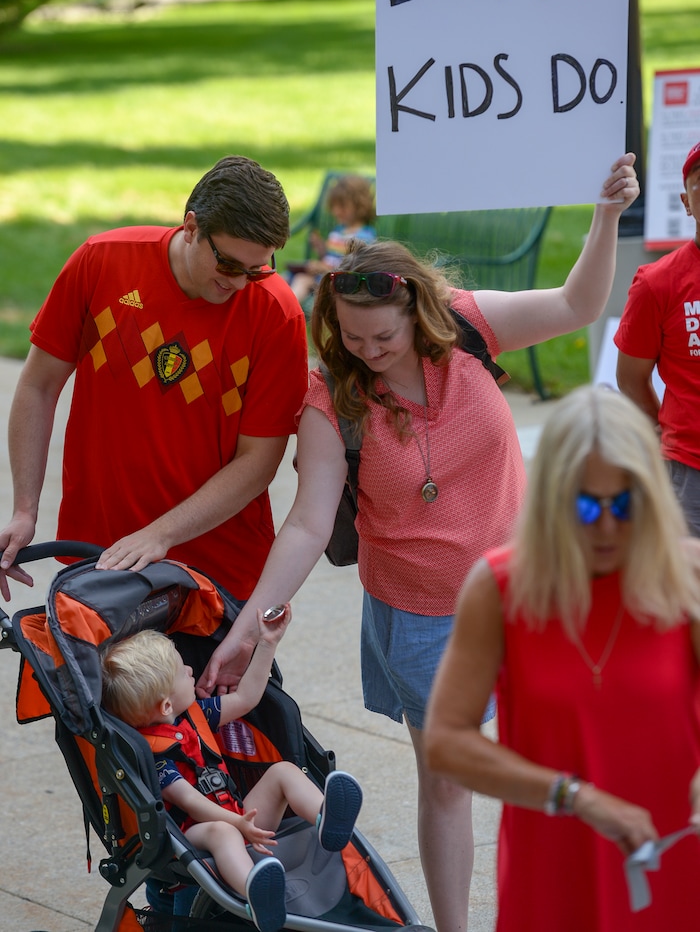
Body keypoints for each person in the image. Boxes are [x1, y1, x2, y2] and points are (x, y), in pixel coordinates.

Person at [199, 155, 641, 932]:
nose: (366, 350)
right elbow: (308, 521)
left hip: (527, 588)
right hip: (425, 618)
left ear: (417, 314)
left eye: (382, 337)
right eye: (350, 336)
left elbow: (579, 303)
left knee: (566, 757)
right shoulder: (332, 397)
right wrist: (248, 623)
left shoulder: (467, 325)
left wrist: (603, 216)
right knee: (449, 780)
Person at [423, 384, 700, 931]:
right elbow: (446, 743)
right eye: (584, 504)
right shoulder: (501, 589)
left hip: (675, 857)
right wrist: (573, 796)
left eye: (625, 504)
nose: (605, 524)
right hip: (554, 866)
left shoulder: (686, 575)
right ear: (551, 499)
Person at [0, 155, 309, 602]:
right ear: (191, 226)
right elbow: (39, 385)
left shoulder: (277, 314)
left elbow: (258, 462)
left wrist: (159, 534)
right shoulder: (101, 261)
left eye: (257, 269)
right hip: (99, 554)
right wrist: (25, 509)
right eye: (228, 265)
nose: (242, 284)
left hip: (217, 571)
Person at [101, 610, 363, 932]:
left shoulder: (196, 715)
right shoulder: (153, 755)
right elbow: (188, 801)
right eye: (181, 672)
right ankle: (255, 892)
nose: (189, 669)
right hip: (195, 833)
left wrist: (267, 644)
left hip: (242, 817)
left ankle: (327, 818)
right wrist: (237, 822)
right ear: (166, 705)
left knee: (282, 771)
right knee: (221, 832)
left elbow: (246, 698)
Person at [615, 140, 700, 535]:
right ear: (686, 201)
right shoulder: (657, 284)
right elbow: (631, 377)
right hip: (690, 470)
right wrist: (664, 429)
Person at [289, 175, 376, 305]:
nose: (336, 211)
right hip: (322, 276)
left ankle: (286, 312)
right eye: (334, 206)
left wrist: (321, 268)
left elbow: (352, 269)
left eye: (342, 207)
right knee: (286, 276)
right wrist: (321, 248)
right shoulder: (338, 231)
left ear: (360, 205)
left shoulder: (363, 237)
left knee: (302, 280)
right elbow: (330, 257)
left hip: (338, 283)